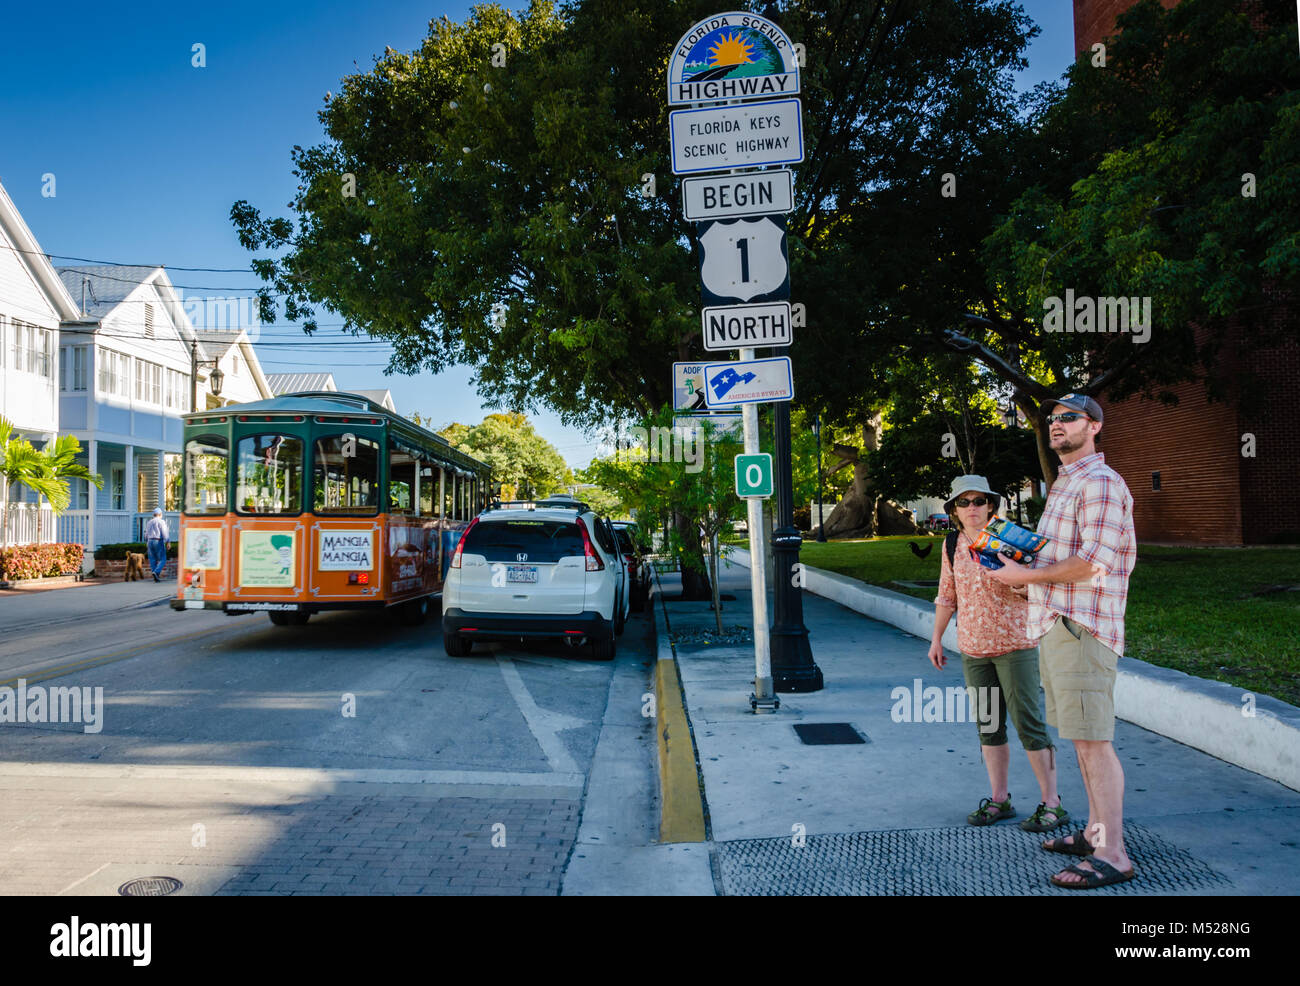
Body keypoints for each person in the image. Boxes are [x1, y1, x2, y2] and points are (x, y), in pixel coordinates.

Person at [988, 393, 1137, 889]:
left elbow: (1094, 562)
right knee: (1079, 738)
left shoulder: (1100, 483)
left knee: (1094, 743)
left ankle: (1113, 854)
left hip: (1082, 626)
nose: (1056, 425)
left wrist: (1023, 579)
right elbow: (1061, 556)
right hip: (1056, 622)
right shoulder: (1066, 484)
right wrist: (1018, 557)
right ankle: (1095, 833)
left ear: (1094, 426)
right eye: (1052, 419)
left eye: (1068, 418)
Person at [929, 475, 1066, 833]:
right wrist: (936, 639)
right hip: (974, 649)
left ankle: (1052, 803)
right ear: (954, 510)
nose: (971, 508)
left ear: (991, 504)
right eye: (963, 502)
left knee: (1029, 724)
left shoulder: (1009, 538)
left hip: (1015, 645)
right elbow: (947, 595)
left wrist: (1019, 582)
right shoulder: (951, 544)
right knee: (989, 726)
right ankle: (1000, 798)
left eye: (978, 501)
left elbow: (1035, 587)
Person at [144, 507, 169, 583]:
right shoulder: (161, 522)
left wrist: (146, 542)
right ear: (160, 514)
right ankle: (156, 572)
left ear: (153, 514)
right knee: (163, 559)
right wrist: (168, 541)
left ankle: (155, 576)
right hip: (158, 540)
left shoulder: (149, 522)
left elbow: (146, 534)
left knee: (152, 559)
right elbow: (164, 532)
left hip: (150, 541)